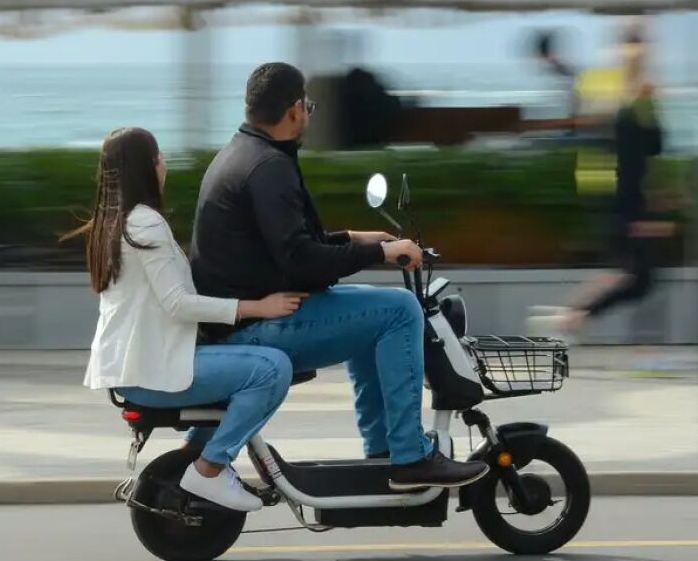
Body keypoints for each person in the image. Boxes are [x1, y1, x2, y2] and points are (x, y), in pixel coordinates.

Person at [190, 63, 489, 491]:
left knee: (372, 311)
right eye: (308, 107)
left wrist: (353, 238)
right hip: (259, 328)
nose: (309, 115)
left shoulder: (242, 154)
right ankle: (410, 456)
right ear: (295, 109)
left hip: (246, 319)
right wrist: (381, 253)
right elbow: (301, 261)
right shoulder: (268, 167)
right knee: (400, 309)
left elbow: (283, 246)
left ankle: (384, 450)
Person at [71, 127, 305, 512]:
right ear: (148, 167)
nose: (164, 164)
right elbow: (178, 304)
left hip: (135, 368)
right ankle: (210, 469)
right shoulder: (145, 223)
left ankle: (190, 458)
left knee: (243, 366)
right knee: (271, 369)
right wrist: (257, 307)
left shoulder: (112, 222)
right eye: (159, 157)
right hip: (151, 371)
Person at [528, 20, 672, 338]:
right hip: (615, 190)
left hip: (628, 190)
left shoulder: (642, 91)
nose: (643, 52)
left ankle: (567, 319)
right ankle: (569, 320)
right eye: (636, 42)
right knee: (639, 275)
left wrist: (658, 194)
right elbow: (592, 120)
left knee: (636, 274)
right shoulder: (610, 85)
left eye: (644, 43)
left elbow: (651, 148)